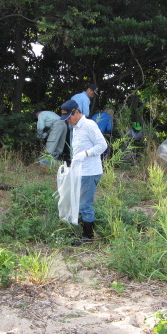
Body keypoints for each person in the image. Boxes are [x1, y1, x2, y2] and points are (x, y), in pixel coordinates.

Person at [60, 99, 107, 245]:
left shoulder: (88, 125)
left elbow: (103, 145)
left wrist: (86, 153)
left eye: (69, 117)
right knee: (80, 201)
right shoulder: (75, 127)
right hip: (80, 170)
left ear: (76, 112)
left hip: (90, 171)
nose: (68, 120)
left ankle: (88, 237)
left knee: (85, 204)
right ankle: (83, 229)